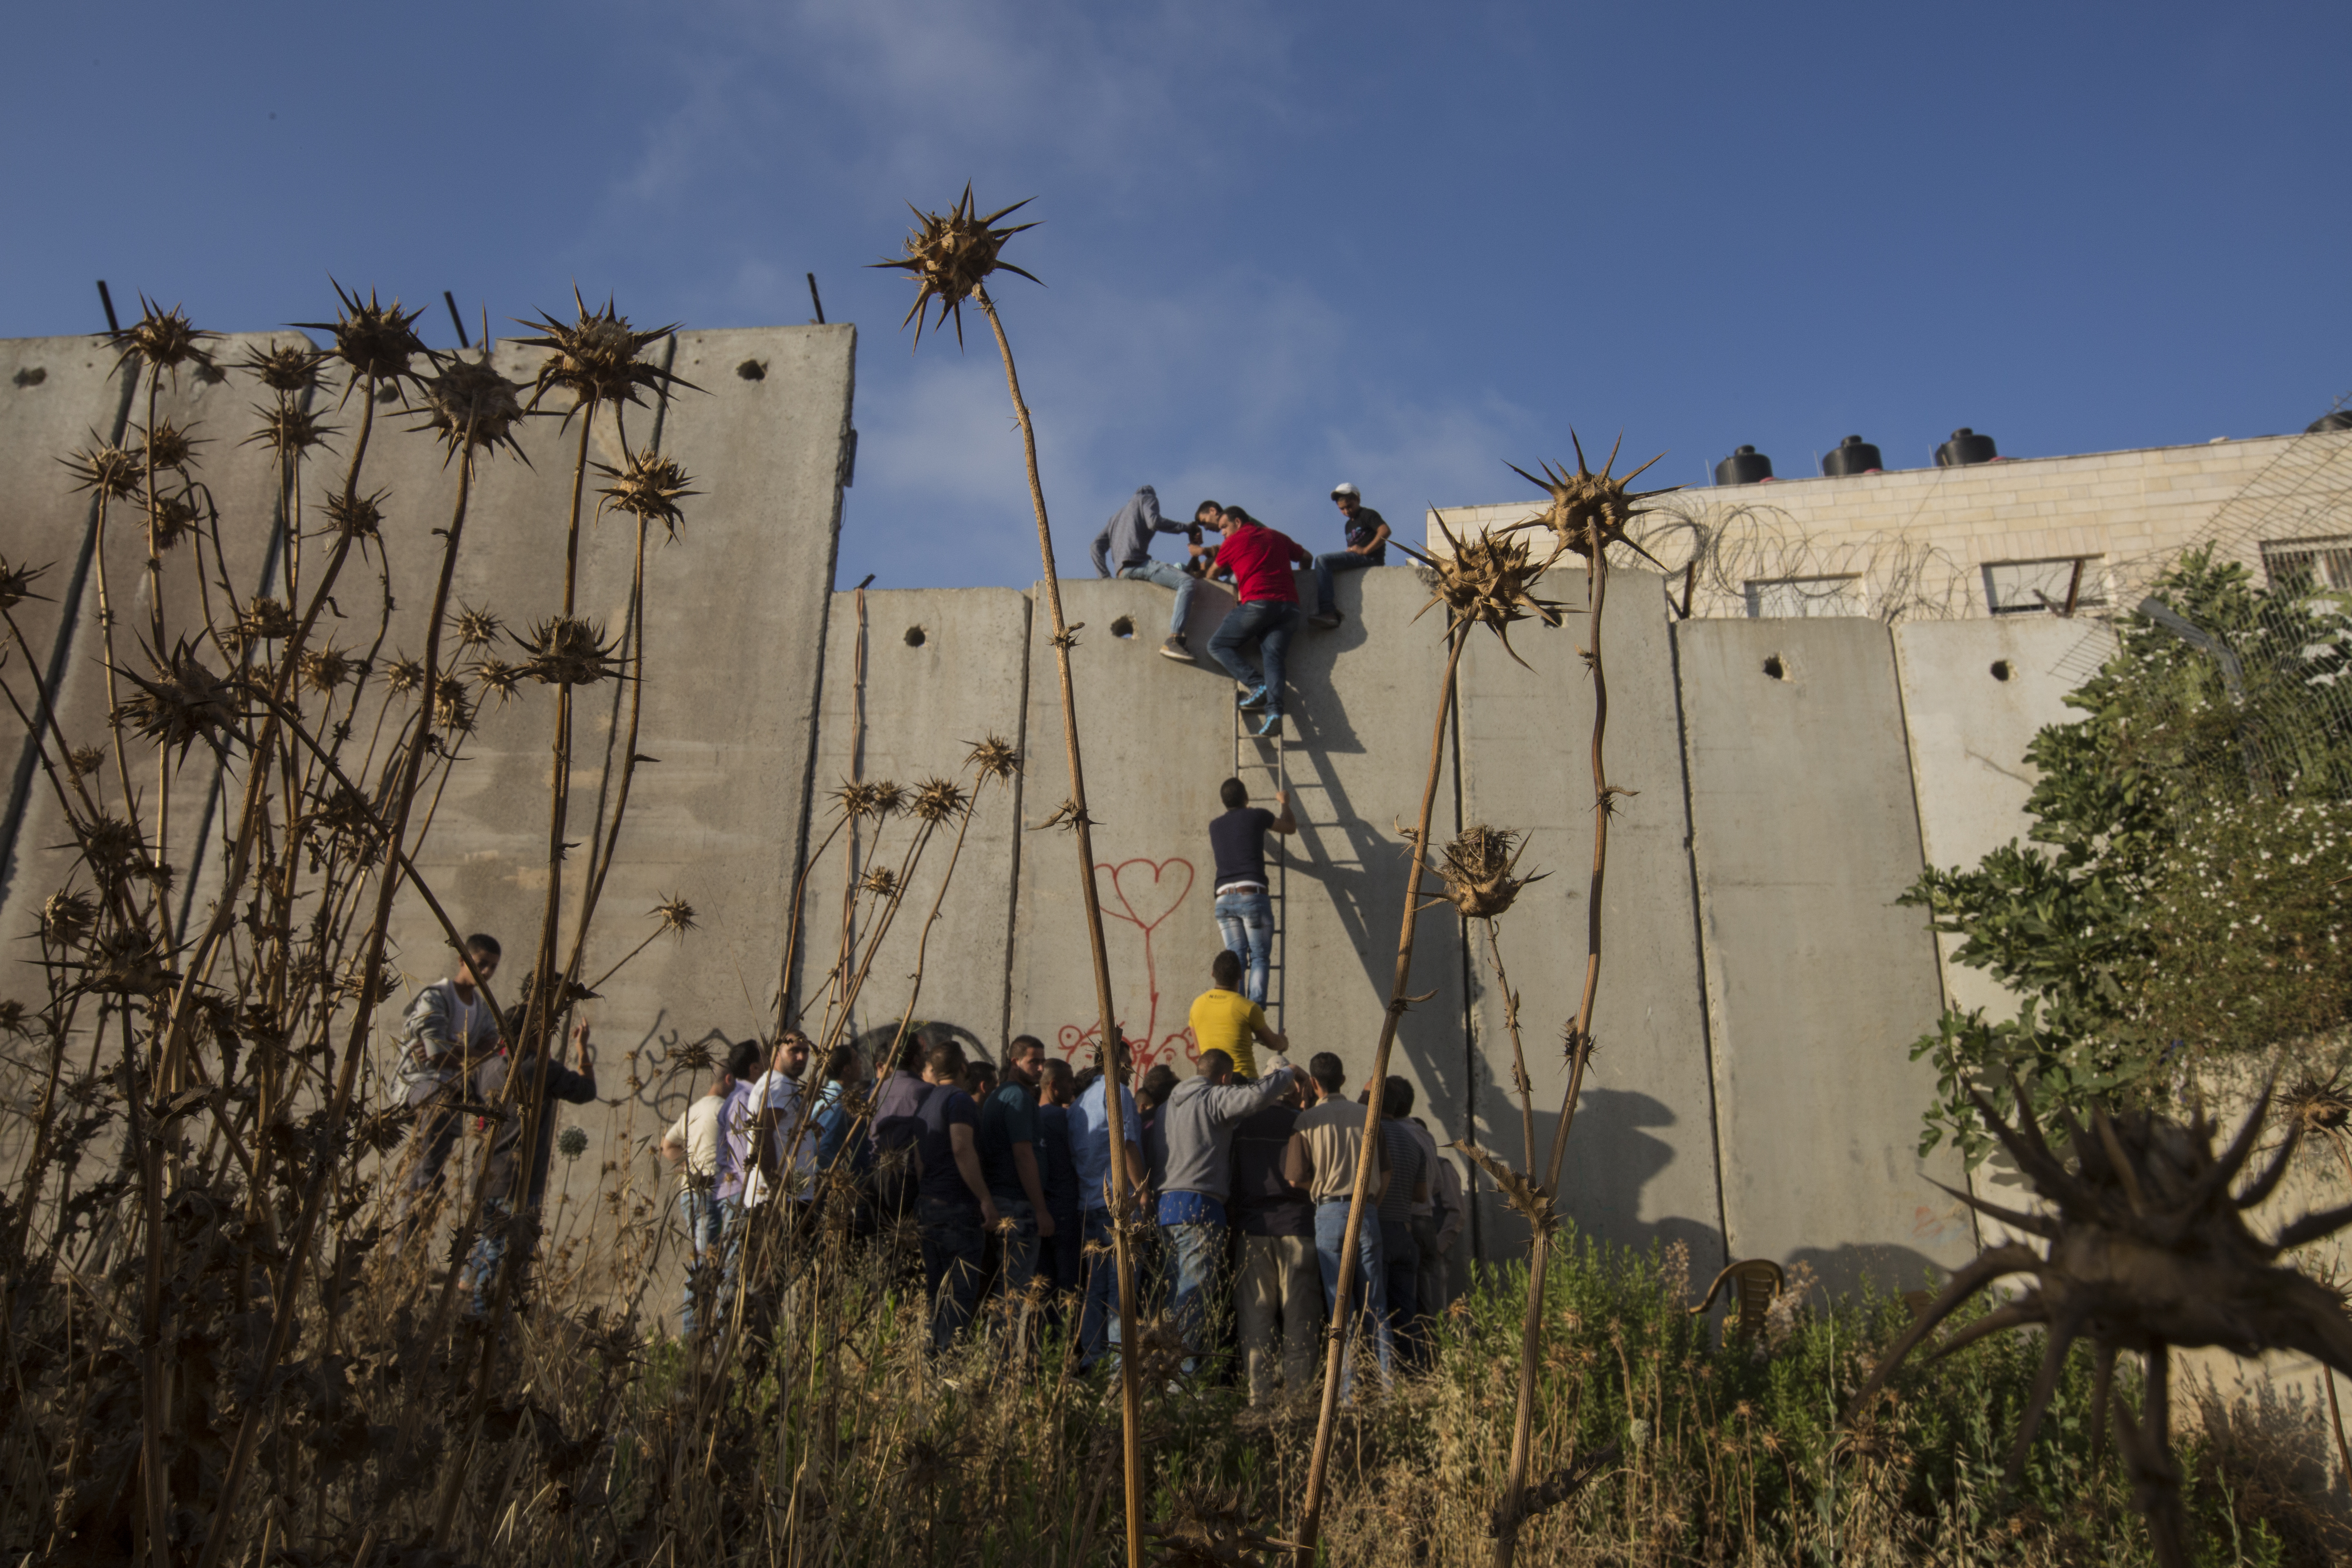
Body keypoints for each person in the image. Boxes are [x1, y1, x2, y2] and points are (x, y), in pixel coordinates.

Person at [1148, 1049, 1299, 1375]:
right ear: (1226, 1078)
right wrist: (1288, 1074)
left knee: (1174, 1295)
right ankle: (1181, 1377)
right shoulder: (1212, 1098)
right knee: (1193, 1300)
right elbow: (1256, 1097)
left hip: (1167, 1207)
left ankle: (1165, 1374)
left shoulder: (1167, 1107)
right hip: (1199, 1207)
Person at [463, 1018, 598, 1319]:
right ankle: (485, 1328)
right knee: (505, 1260)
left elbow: (471, 1100)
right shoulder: (540, 1069)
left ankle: (469, 1315)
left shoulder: (488, 1069)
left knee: (487, 1248)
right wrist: (581, 1049)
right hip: (518, 1183)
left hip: (484, 1176)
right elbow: (586, 1091)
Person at [1285, 1052, 1392, 1396]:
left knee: (1339, 1305)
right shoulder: (1369, 1116)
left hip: (1329, 1212)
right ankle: (1388, 1387)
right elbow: (1386, 1171)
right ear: (1344, 1080)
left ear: (1314, 1084)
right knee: (1375, 1303)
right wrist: (1372, 1200)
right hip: (1366, 1211)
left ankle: (1347, 1391)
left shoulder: (1307, 1122)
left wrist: (1320, 1187)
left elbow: (1295, 1178)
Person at [388, 933, 503, 1250]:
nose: (487, 973)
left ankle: (411, 1251)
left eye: (493, 967)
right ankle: (404, 1252)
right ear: (463, 961)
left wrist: (450, 1050)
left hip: (453, 1098)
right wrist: (468, 1051)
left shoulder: (482, 1008)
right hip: (422, 1091)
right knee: (425, 1174)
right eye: (481, 965)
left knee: (430, 1177)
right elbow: (435, 1055)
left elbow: (490, 1052)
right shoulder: (436, 997)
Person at [1229, 1070, 1321, 1405]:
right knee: (1300, 1313)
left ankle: (1260, 1395)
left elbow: (1233, 1179)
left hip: (1254, 1228)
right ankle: (1298, 1395)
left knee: (1256, 1315)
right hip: (1298, 1226)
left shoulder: (1243, 1126)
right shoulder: (1303, 1122)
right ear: (1294, 1090)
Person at [912, 1037, 999, 1353]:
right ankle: (948, 1365)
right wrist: (985, 1199)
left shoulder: (928, 1101)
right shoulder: (960, 1100)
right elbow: (962, 1147)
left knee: (936, 1291)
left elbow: (920, 1158)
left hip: (931, 1206)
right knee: (959, 1293)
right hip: (958, 1209)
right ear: (963, 1067)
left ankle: (929, 1362)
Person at [1206, 506, 1316, 739]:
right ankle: (1274, 713)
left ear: (1238, 522)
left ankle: (1257, 685)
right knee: (1273, 658)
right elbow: (1307, 557)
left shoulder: (1233, 543)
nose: (1223, 533)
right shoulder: (1276, 536)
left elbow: (1212, 575)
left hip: (1259, 603)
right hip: (1290, 608)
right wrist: (1302, 580)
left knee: (1217, 646)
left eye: (1224, 527)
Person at [1070, 1050, 1145, 1370]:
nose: (1132, 1067)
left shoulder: (1079, 1102)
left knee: (1095, 1288)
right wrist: (1142, 1192)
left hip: (1089, 1203)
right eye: (1127, 1059)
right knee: (1123, 1289)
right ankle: (1120, 1367)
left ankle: (1093, 1358)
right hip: (1118, 1205)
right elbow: (1126, 1143)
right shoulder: (1118, 1093)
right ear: (1117, 1061)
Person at [1090, 485, 1219, 663]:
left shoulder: (1117, 516)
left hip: (1122, 571)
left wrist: (1106, 580)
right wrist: (1187, 528)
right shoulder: (1147, 499)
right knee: (1187, 583)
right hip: (1137, 564)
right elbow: (1154, 522)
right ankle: (1173, 640)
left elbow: (1095, 546)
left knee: (1179, 569)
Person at [662, 1054, 740, 1337]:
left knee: (703, 1257)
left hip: (690, 1192)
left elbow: (667, 1145)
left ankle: (696, 1331)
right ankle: (694, 1333)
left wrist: (687, 1164)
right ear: (729, 1080)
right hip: (710, 1192)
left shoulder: (694, 1109)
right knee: (705, 1263)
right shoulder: (725, 1108)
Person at [977, 1036, 1056, 1316]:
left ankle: (996, 1353)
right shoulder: (1017, 1097)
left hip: (1006, 1201)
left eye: (1042, 1062)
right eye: (1033, 1061)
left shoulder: (1003, 1095)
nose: (1040, 1068)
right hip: (1017, 1204)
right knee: (1014, 1289)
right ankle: (1002, 1355)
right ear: (1015, 1062)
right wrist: (1040, 1209)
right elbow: (1023, 1155)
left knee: (1006, 1286)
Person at [1206, 780, 1296, 1008]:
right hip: (1252, 896)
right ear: (1246, 797)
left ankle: (1236, 1010)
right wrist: (1285, 803)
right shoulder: (1257, 816)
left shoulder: (1215, 826)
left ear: (1223, 802)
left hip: (1224, 899)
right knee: (1259, 957)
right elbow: (1289, 827)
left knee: (1236, 960)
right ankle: (1253, 1012)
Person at [1375, 1077, 1430, 1367]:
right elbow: (1421, 1195)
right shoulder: (1414, 1140)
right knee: (1406, 1312)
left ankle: (1384, 1375)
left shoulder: (1371, 1133)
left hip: (1378, 1229)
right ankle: (1414, 1372)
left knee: (1376, 1309)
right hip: (1405, 1231)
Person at [1187, 948, 1288, 1078]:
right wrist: (1284, 1042)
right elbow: (1273, 1044)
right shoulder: (1249, 1008)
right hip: (1244, 1083)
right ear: (1240, 977)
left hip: (1211, 1082)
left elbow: (1199, 1050)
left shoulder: (1197, 1005)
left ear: (1213, 974)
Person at [870, 1027, 935, 1224]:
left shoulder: (877, 1091)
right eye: (923, 1055)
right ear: (916, 1060)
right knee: (907, 1238)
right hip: (907, 1177)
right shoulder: (926, 1091)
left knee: (881, 1240)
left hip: (876, 1174)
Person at [1034, 1058, 1083, 1314]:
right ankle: (1065, 1347)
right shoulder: (1063, 1118)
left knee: (1042, 1288)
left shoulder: (1033, 1117)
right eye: (1069, 1081)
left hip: (1041, 1209)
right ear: (1054, 1085)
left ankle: (1040, 1349)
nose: (1073, 1086)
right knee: (1067, 1289)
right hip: (1065, 1209)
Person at [1309, 482, 1390, 630]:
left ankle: (1328, 611)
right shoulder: (1348, 525)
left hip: (1370, 559)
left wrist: (1365, 550)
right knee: (1328, 565)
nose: (1347, 511)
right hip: (1358, 559)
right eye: (1342, 509)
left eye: (1349, 506)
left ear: (1358, 499)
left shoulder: (1367, 514)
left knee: (1323, 561)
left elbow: (1385, 531)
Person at [1412, 1114, 1466, 1321]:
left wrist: (1439, 1248)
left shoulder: (1442, 1167)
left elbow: (1457, 1213)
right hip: (1418, 1250)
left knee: (1434, 1310)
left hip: (1434, 1253)